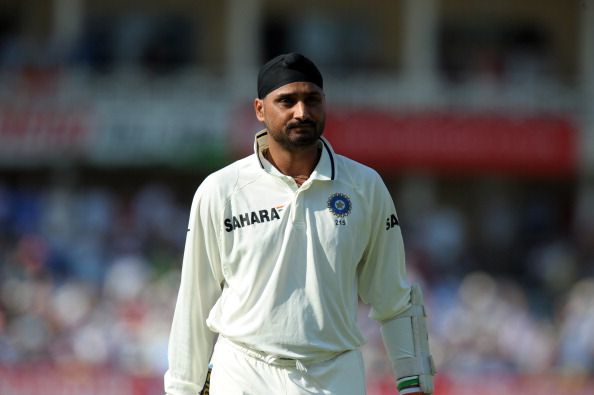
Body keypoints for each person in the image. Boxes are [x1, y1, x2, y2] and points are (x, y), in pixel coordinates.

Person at [164, 52, 436, 395]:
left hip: (335, 375)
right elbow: (195, 300)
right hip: (244, 372)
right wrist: (182, 389)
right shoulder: (222, 190)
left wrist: (414, 384)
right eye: (286, 101)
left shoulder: (365, 186)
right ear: (260, 110)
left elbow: (393, 298)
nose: (302, 112)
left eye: (312, 99)